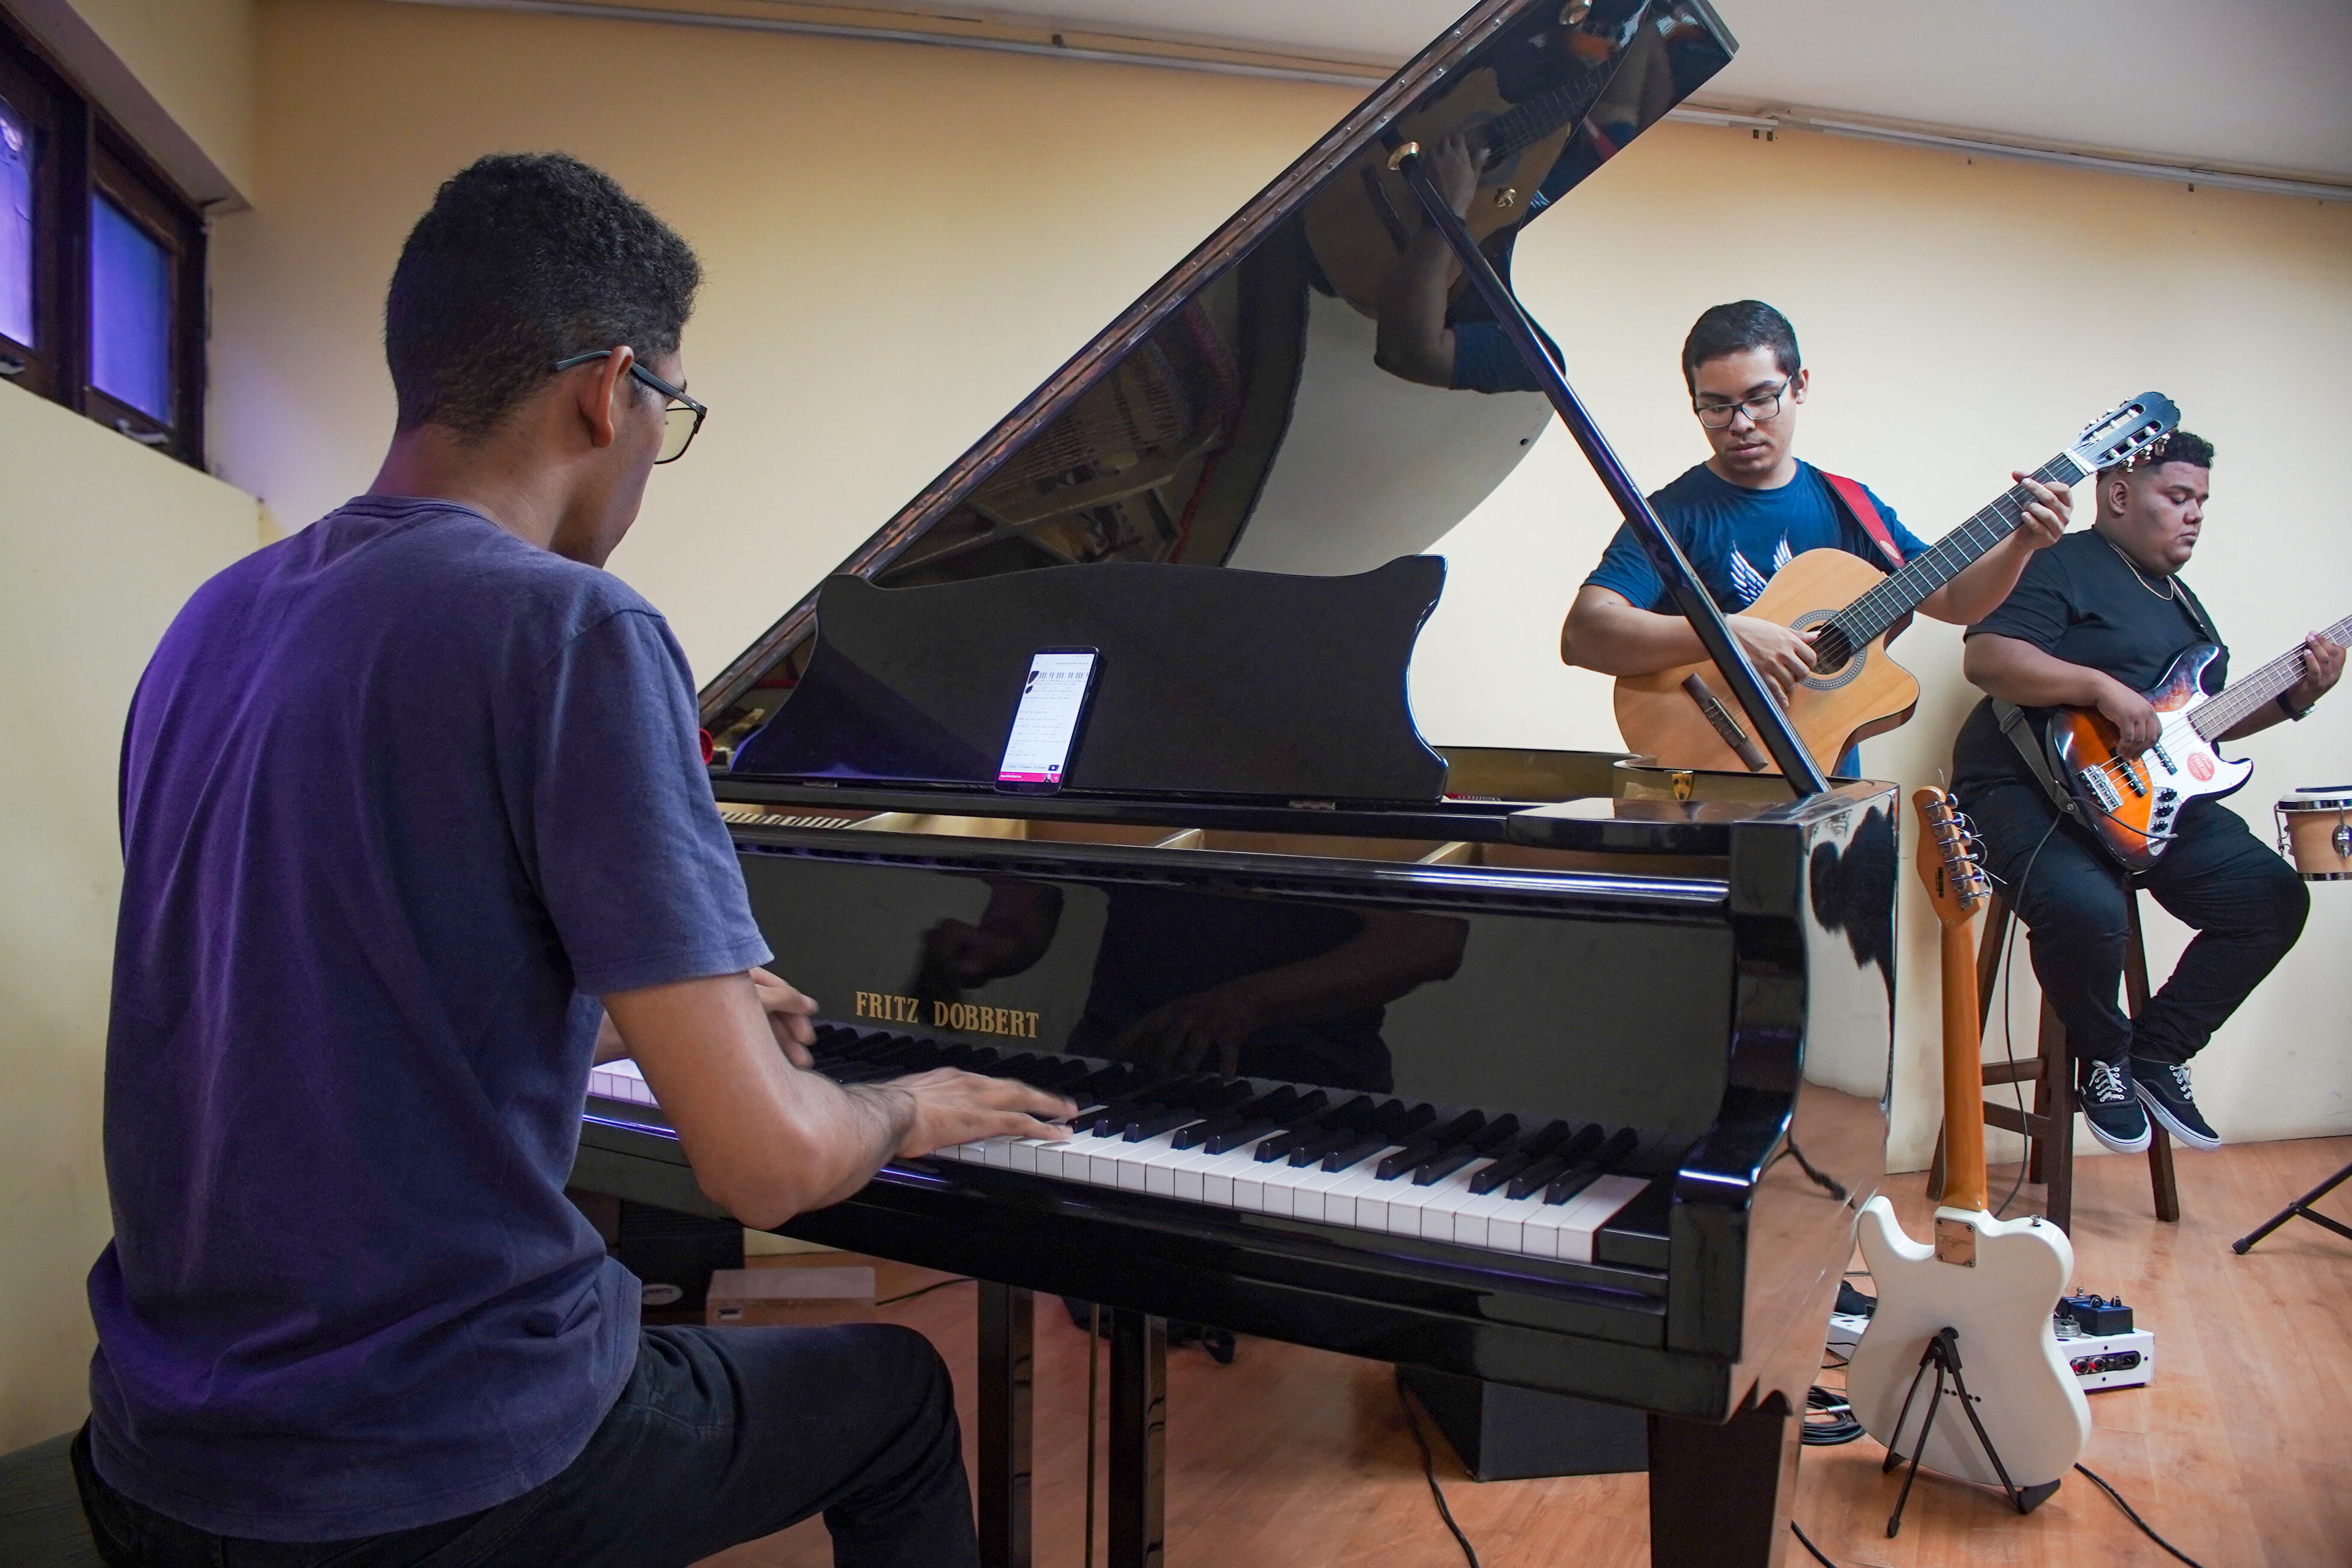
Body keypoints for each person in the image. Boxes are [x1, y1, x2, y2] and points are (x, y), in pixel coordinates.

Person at [72, 153, 1074, 1568]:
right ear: (612, 390)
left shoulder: (211, 622)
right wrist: (911, 1101)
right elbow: (766, 1165)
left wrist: (657, 1020)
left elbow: (328, 986)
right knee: (899, 1392)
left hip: (159, 1454)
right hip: (428, 1470)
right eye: (672, 410)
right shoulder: (572, 629)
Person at [1952, 431, 2339, 1153]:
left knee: (2273, 898)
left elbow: (2196, 733)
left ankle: (2154, 1054)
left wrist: (2296, 697)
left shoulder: (2185, 607)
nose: (2194, 515)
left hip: (2137, 803)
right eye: (2178, 496)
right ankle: (2100, 1058)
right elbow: (1988, 656)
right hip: (2023, 788)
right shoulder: (2056, 563)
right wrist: (2098, 685)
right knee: (2090, 909)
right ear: (2120, 494)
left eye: (2202, 501)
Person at [1558, 301, 2071, 758]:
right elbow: (1585, 634)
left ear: (1799, 385)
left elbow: (1956, 601)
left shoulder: (1850, 506)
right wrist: (1729, 635)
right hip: (1710, 782)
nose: (1740, 423)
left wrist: (2021, 544)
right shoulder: (1672, 515)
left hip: (1824, 779)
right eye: (1716, 406)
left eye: (1761, 398)